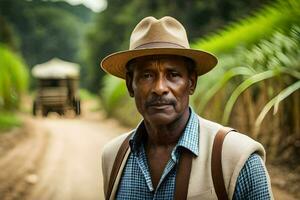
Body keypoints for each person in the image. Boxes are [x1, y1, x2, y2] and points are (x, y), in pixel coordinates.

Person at [100, 16, 273, 200]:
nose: (159, 88)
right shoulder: (114, 157)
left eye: (173, 74)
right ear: (129, 85)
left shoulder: (237, 159)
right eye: (147, 75)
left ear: (191, 83)